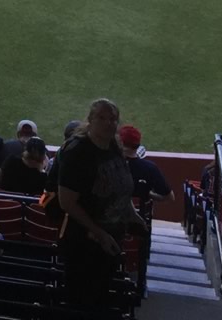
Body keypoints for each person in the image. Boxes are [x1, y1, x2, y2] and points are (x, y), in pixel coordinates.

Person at [56, 98, 137, 309]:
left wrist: (132, 213)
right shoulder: (77, 152)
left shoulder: (113, 145)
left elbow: (120, 186)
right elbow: (67, 202)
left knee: (100, 297)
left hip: (110, 242)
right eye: (102, 118)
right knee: (82, 302)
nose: (109, 123)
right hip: (85, 245)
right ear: (90, 120)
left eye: (113, 119)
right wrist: (98, 232)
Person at [118, 125, 172, 201]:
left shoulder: (110, 165)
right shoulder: (150, 168)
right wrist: (148, 194)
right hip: (141, 212)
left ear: (120, 143)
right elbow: (169, 197)